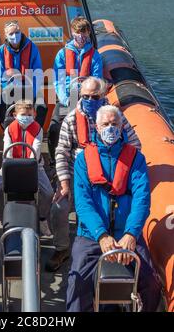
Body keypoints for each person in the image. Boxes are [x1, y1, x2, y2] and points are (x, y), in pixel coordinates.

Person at [66, 105, 161, 312]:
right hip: (91, 236)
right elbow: (83, 204)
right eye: (106, 124)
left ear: (122, 127)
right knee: (77, 283)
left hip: (127, 234)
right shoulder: (83, 160)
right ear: (97, 128)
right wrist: (102, 236)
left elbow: (142, 200)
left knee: (152, 285)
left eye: (114, 124)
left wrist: (130, 234)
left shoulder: (136, 159)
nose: (110, 128)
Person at [46, 76, 141, 272]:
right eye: (85, 96)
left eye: (94, 96)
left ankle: (102, 244)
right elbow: (61, 151)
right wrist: (64, 183)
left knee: (105, 210)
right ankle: (62, 248)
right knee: (59, 208)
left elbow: (135, 145)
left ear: (104, 95)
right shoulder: (72, 119)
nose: (89, 100)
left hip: (110, 177)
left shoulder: (116, 118)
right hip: (76, 176)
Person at [0, 100, 53, 236]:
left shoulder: (38, 129)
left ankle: (42, 218)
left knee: (48, 193)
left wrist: (30, 166)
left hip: (35, 166)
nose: (26, 117)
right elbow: (7, 150)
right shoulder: (9, 129)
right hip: (12, 164)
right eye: (23, 114)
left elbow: (35, 151)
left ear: (34, 115)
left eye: (29, 114)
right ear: (15, 115)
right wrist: (13, 167)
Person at [48, 16, 103, 172]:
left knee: (93, 127)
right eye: (79, 33)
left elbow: (97, 79)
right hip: (67, 97)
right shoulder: (62, 54)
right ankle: (54, 163)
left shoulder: (95, 56)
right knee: (54, 128)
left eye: (84, 33)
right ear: (72, 32)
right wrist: (64, 98)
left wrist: (87, 96)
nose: (82, 37)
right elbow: (58, 79)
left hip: (87, 98)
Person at [0, 20, 47, 128]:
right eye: (11, 34)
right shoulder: (1, 51)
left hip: (30, 86)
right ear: (6, 35)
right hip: (11, 88)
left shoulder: (32, 48)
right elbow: (0, 76)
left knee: (42, 107)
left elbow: (38, 72)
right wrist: (9, 88)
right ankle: (8, 131)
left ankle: (35, 131)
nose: (14, 36)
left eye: (17, 32)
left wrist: (32, 92)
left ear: (21, 32)